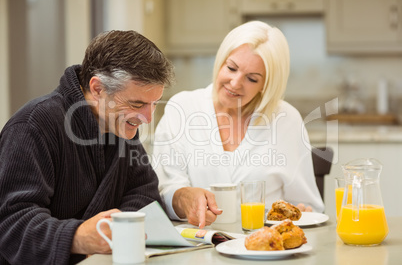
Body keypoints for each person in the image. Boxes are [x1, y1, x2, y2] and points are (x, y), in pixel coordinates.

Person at [0, 30, 174, 264]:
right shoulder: (33, 126)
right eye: (137, 103)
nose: (147, 118)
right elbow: (12, 222)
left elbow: (144, 193)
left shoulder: (121, 125)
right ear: (98, 89)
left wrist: (119, 227)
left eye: (153, 104)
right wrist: (78, 237)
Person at [152, 21, 324, 228]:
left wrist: (302, 212)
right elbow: (163, 191)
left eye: (252, 79)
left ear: (266, 85)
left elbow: (305, 205)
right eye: (231, 68)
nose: (235, 83)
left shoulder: (286, 119)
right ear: (221, 61)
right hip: (199, 245)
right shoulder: (182, 108)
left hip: (265, 249)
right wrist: (183, 198)